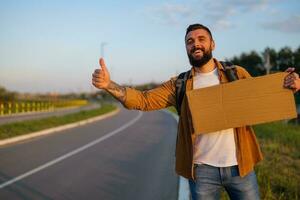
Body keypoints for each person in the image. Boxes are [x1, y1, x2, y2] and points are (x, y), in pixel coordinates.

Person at [92, 24, 297, 200]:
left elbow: (263, 97)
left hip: (240, 167)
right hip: (202, 171)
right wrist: (109, 85)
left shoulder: (235, 73)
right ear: (186, 48)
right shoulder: (179, 84)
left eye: (201, 39)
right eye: (190, 41)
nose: (195, 44)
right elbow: (144, 100)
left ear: (212, 44)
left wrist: (289, 84)